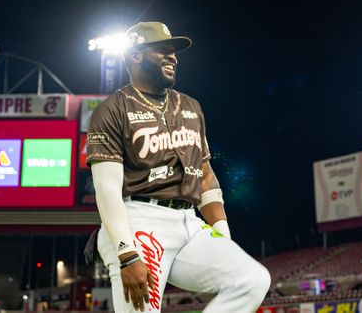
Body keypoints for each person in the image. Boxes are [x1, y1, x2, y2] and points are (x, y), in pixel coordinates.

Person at [87, 21, 271, 312]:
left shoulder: (191, 107)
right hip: (138, 221)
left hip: (189, 222)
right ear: (135, 55)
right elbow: (107, 189)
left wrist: (222, 236)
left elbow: (206, 177)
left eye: (174, 51)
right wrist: (126, 254)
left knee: (251, 279)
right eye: (163, 50)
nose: (173, 56)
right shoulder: (112, 109)